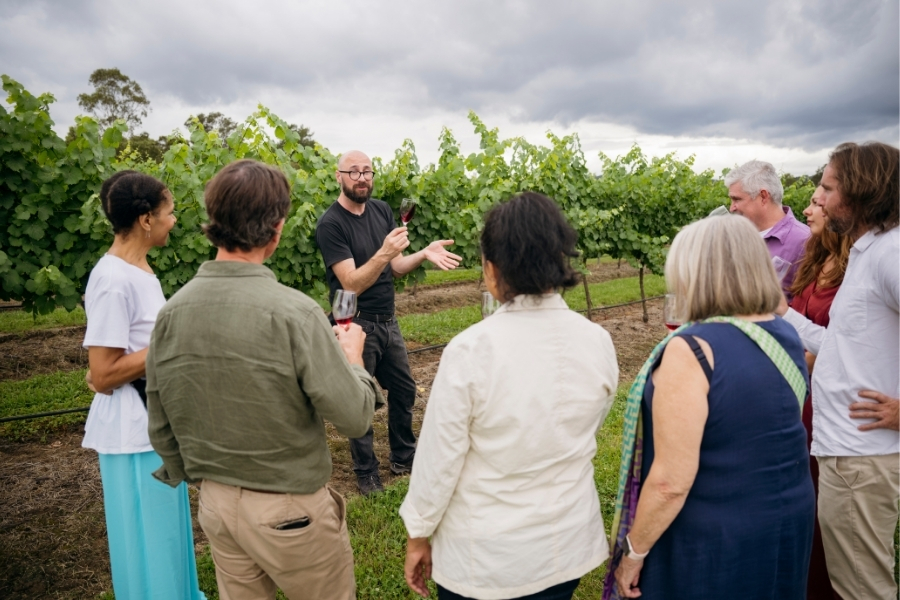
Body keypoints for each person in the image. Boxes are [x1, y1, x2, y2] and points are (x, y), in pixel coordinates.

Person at [146, 159, 379, 600]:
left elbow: (159, 419)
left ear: (214, 221)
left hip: (215, 505)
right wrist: (353, 359)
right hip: (291, 511)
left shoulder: (171, 311)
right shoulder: (295, 312)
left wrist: (199, 478)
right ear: (277, 228)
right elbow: (353, 417)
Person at [400, 192, 619, 600]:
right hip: (566, 545)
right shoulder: (598, 341)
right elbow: (590, 420)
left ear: (492, 269)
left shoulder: (470, 350)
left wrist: (419, 533)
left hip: (488, 557)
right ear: (559, 259)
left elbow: (438, 460)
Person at [610, 215, 814, 600]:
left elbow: (671, 481)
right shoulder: (781, 331)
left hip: (713, 537)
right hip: (785, 518)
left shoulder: (693, 349)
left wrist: (633, 553)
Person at [780, 142, 899, 600]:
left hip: (861, 455)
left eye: (829, 188)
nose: (821, 200)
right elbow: (843, 346)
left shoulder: (891, 254)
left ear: (862, 192)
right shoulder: (869, 251)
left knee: (861, 588)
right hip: (847, 452)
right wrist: (781, 314)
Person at [82, 171, 205, 599]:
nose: (175, 221)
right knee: (150, 545)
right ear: (146, 219)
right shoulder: (113, 279)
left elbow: (111, 358)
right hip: (133, 435)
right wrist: (174, 343)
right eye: (169, 213)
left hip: (154, 423)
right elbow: (101, 374)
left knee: (169, 542)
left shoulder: (139, 271)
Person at [315, 150, 462, 495]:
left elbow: (393, 268)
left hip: (387, 319)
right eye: (354, 172)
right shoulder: (331, 224)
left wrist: (422, 253)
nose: (362, 177)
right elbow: (350, 282)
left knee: (404, 389)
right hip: (352, 320)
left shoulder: (381, 210)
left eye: (367, 171)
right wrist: (383, 252)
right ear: (339, 176)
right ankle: (366, 472)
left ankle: (403, 458)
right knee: (360, 400)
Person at [788, 185, 851, 600]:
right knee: (809, 505)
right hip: (805, 397)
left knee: (831, 515)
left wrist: (781, 315)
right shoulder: (816, 257)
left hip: (834, 402)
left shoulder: (858, 269)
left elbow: (846, 344)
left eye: (816, 200)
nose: (808, 209)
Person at [725, 159, 810, 298]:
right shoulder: (737, 236)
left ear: (763, 197)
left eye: (737, 199)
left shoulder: (805, 242)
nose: (731, 207)